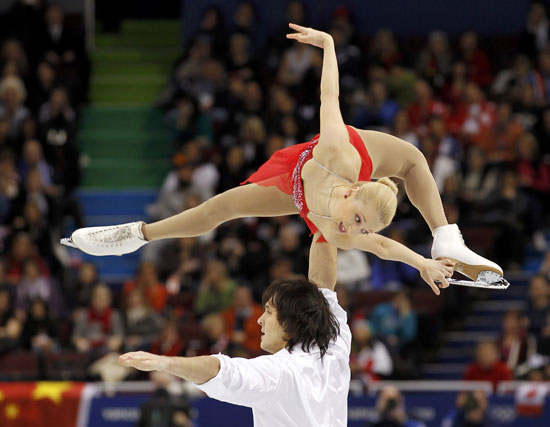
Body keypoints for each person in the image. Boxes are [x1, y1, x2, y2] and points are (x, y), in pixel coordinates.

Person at [64, 24, 505, 293]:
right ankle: (138, 233)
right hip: (317, 164)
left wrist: (423, 263)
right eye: (356, 218)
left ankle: (325, 326)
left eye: (362, 228)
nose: (354, 229)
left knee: (327, 248)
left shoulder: (349, 226)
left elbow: (383, 245)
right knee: (222, 207)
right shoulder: (338, 150)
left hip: (313, 195)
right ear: (353, 194)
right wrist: (330, 45)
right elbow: (328, 93)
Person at [119, 235, 350, 426]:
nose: (259, 320)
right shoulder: (334, 343)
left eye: (268, 312)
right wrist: (324, 215)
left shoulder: (277, 373)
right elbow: (323, 284)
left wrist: (165, 363)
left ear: (291, 324)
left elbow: (219, 370)